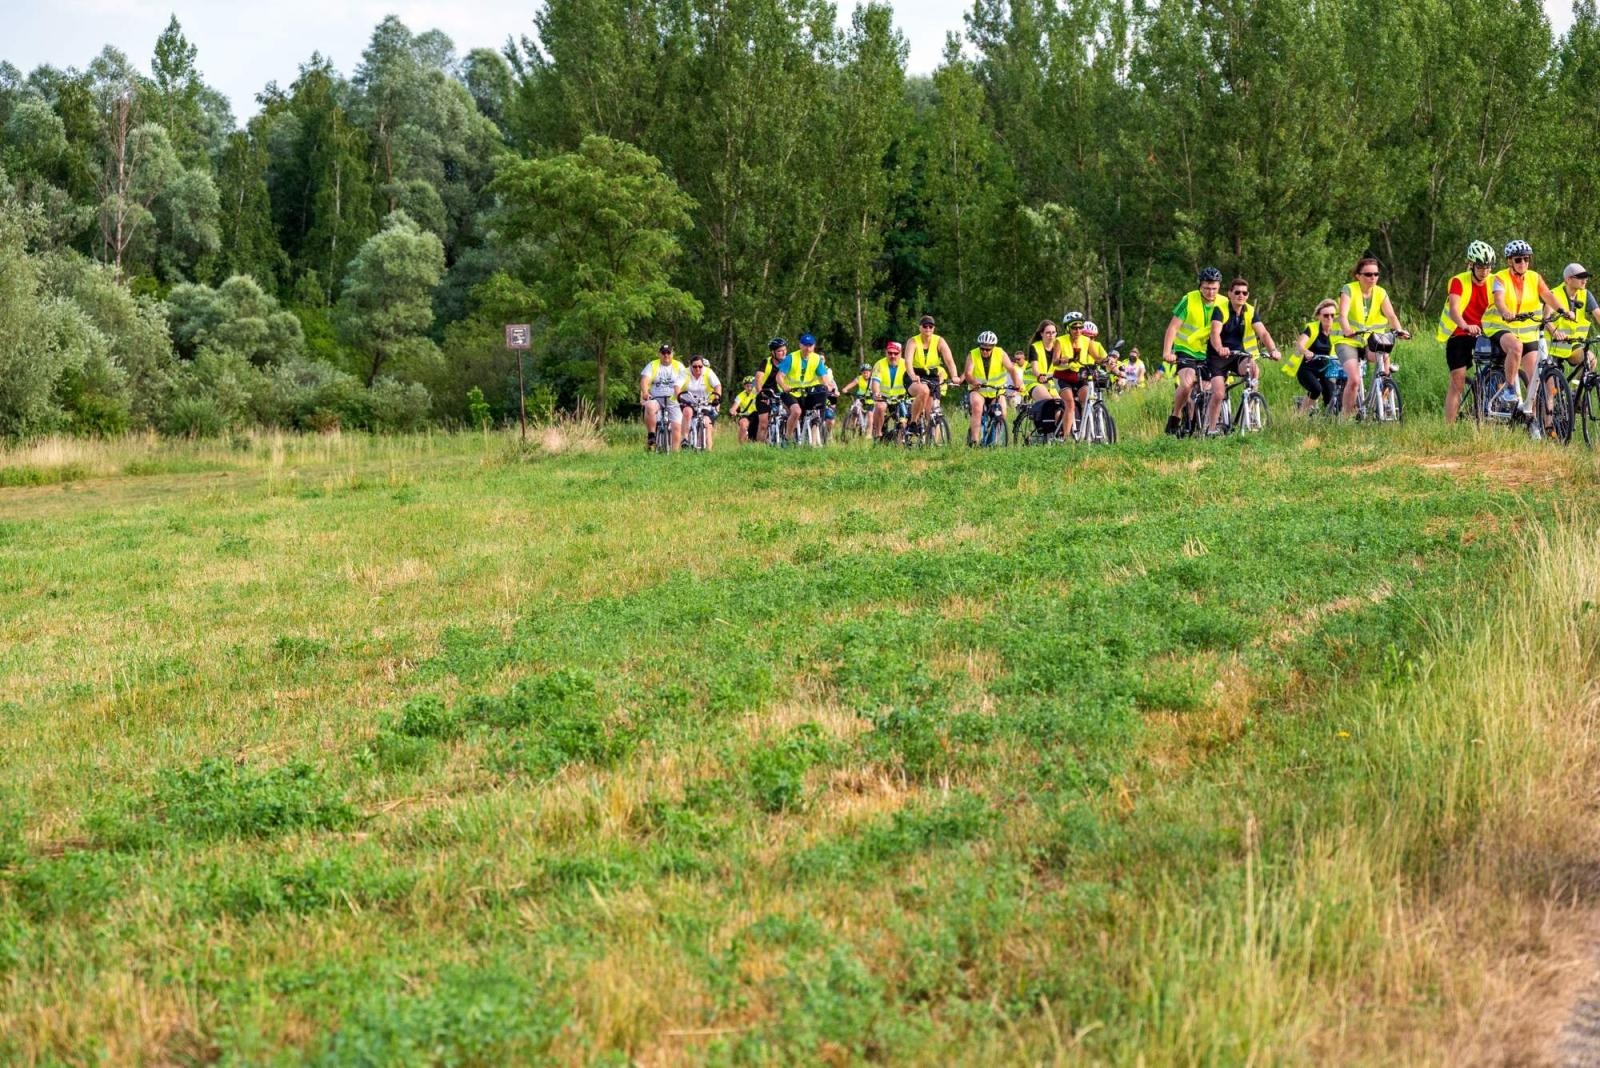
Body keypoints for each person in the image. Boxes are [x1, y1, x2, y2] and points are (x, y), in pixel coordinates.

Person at [1334, 257, 1411, 415]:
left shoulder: (1381, 292)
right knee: (1354, 380)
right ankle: (1345, 418)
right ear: (1358, 275)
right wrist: (1348, 330)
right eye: (1368, 274)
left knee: (1384, 358)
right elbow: (1342, 315)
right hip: (1348, 340)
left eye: (1376, 274)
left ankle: (1383, 399)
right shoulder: (1348, 289)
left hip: (1370, 340)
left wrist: (1399, 330)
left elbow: (1391, 316)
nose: (1373, 278)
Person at [1204, 277, 1281, 433]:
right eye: (1237, 292)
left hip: (1238, 354)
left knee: (1253, 371)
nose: (1241, 295)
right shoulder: (1220, 309)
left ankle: (1252, 410)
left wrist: (1273, 350)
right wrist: (1220, 348)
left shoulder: (1250, 311)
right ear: (1230, 294)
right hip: (1217, 356)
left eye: (1244, 293)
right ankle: (1211, 428)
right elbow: (1214, 333)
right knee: (1219, 392)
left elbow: (1263, 333)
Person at [1434, 240, 1497, 422]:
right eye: (1480, 267)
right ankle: (1449, 427)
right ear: (1471, 264)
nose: (1484, 271)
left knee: (1499, 368)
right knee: (1458, 381)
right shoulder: (1458, 281)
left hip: (1485, 333)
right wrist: (1465, 325)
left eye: (1488, 267)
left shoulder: (1494, 282)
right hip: (1460, 333)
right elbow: (1454, 308)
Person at [1162, 267, 1227, 434]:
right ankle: (1176, 415)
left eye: (1214, 288)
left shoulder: (1224, 303)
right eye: (1206, 288)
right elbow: (1173, 328)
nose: (1210, 292)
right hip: (1187, 350)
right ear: (1200, 286)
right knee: (1187, 384)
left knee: (1208, 390)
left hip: (1210, 353)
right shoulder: (1189, 299)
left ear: (1219, 287)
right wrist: (1167, 352)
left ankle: (1206, 426)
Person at [772, 333, 838, 443]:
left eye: (810, 345)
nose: (808, 348)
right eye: (805, 345)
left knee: (815, 413)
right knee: (796, 411)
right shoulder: (791, 358)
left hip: (808, 393)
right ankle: (787, 438)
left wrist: (829, 386)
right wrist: (784, 386)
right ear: (800, 345)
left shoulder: (817, 359)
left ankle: (812, 441)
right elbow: (779, 377)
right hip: (791, 392)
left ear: (814, 346)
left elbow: (823, 377)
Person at [963, 331, 1023, 444]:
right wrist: (974, 381)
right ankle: (974, 441)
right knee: (977, 407)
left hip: (996, 390)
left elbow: (1011, 369)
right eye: (982, 349)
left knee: (1002, 412)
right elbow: (968, 373)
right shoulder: (973, 354)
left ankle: (994, 440)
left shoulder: (1000, 353)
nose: (984, 351)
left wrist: (1017, 384)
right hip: (978, 390)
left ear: (993, 347)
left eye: (988, 349)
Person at [905, 315, 959, 432]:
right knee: (924, 390)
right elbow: (908, 362)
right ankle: (913, 422)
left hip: (932, 376)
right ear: (920, 328)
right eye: (925, 326)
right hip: (915, 375)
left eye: (931, 326)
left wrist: (954, 375)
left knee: (933, 411)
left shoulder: (939, 341)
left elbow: (949, 361)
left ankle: (933, 443)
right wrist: (913, 376)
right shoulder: (913, 341)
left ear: (933, 328)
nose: (928, 329)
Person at [1289, 300, 1339, 413]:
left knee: (1330, 397)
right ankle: (1300, 415)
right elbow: (1300, 344)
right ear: (1319, 316)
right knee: (1316, 389)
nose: (1329, 318)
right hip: (1307, 368)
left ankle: (1329, 422)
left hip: (1326, 368)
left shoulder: (1337, 330)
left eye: (1332, 315)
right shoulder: (1312, 328)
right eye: (1326, 315)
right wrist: (1306, 352)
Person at [1548, 263, 1597, 375]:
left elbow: (1598, 315)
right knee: (1551, 388)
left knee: (1591, 360)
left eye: (1586, 277)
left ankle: (1575, 391)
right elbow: (1546, 318)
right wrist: (1555, 332)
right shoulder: (1554, 294)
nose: (1584, 280)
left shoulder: (1585, 294)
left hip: (1572, 343)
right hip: (1552, 345)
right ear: (1568, 279)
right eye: (1580, 277)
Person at [639, 343, 686, 451]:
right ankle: (652, 435)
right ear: (659, 354)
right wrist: (645, 392)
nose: (666, 355)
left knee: (677, 426)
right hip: (656, 397)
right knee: (650, 406)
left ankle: (675, 453)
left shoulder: (678, 366)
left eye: (668, 353)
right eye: (663, 353)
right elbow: (644, 380)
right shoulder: (653, 365)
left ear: (672, 354)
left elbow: (685, 381)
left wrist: (683, 396)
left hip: (673, 399)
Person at [676, 355, 722, 449]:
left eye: (700, 366)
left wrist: (716, 398)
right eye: (695, 366)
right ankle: (685, 438)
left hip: (705, 402)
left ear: (703, 366)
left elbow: (718, 386)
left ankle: (708, 452)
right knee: (687, 412)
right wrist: (679, 397)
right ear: (690, 366)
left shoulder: (708, 372)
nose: (698, 369)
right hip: (688, 401)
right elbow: (677, 387)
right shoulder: (685, 373)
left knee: (707, 423)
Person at [869, 341, 910, 439]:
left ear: (900, 354)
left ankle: (901, 441)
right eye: (890, 353)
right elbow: (875, 382)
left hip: (900, 397)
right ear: (886, 352)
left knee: (904, 420)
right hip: (883, 396)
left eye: (896, 353)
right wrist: (876, 392)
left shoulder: (906, 364)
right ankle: (878, 433)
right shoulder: (879, 364)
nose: (893, 356)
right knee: (880, 406)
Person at [752, 337, 786, 443]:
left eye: (785, 350)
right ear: (773, 352)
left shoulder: (788, 362)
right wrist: (761, 393)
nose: (783, 353)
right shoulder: (766, 362)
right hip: (765, 394)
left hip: (781, 394)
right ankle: (760, 447)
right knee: (763, 423)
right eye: (780, 351)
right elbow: (758, 379)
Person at [730, 375, 761, 443]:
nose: (749, 388)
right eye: (747, 386)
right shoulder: (741, 395)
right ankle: (742, 446)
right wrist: (733, 411)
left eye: (751, 386)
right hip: (745, 415)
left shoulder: (758, 393)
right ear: (744, 386)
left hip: (757, 415)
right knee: (743, 424)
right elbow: (734, 407)